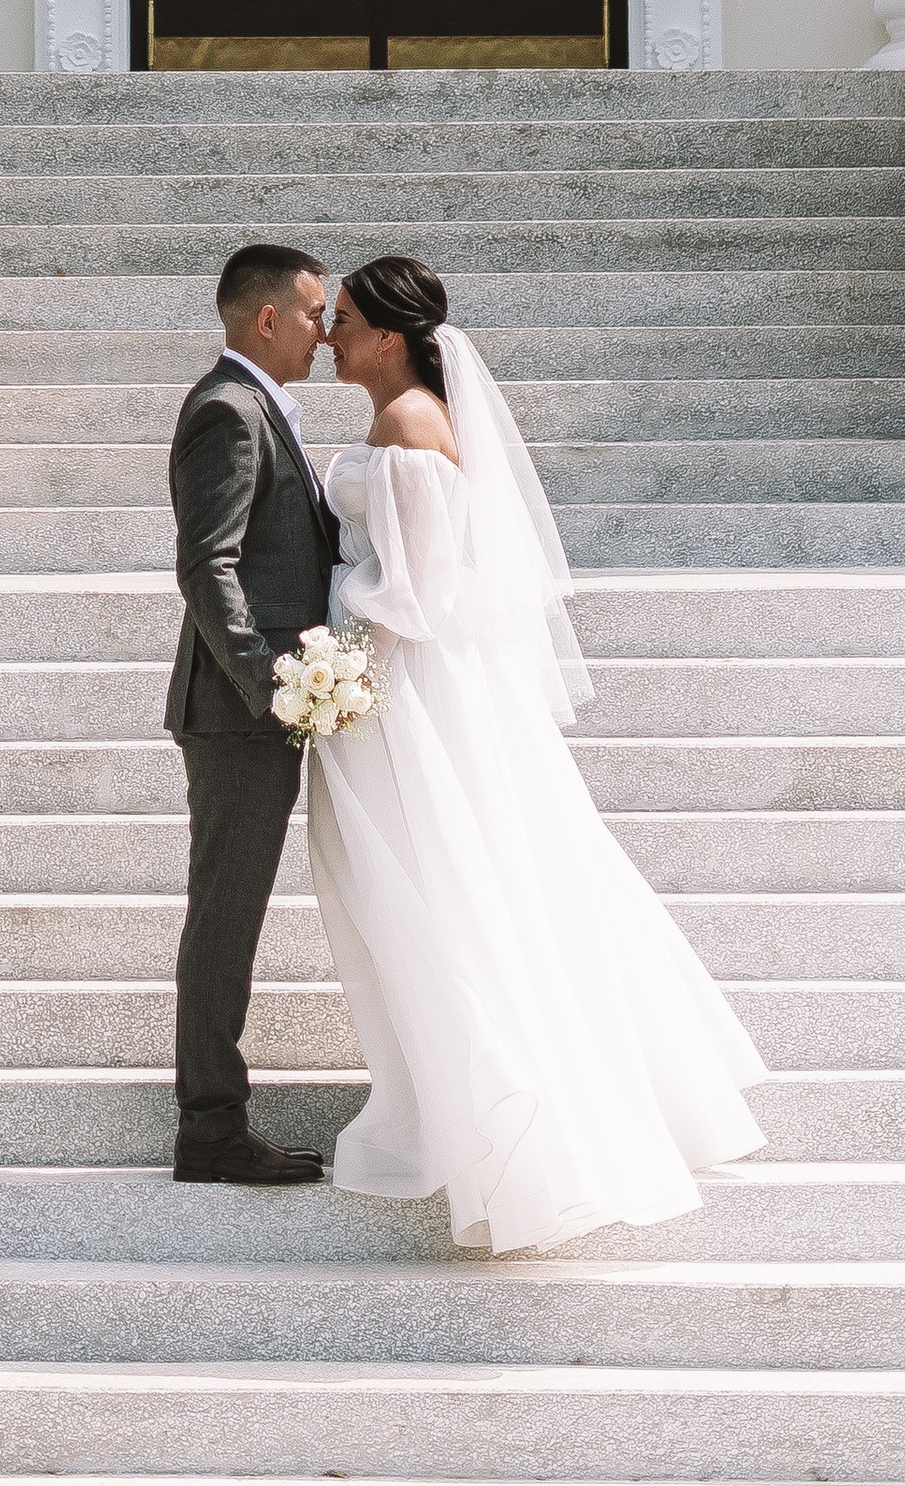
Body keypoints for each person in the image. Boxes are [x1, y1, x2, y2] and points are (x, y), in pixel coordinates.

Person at [305, 252, 770, 1253]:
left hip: (409, 691)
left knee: (448, 880)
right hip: (416, 684)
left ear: (387, 335)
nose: (326, 335)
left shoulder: (407, 425)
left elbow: (414, 595)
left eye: (341, 318)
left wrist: (324, 645)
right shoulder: (413, 421)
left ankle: (508, 1101)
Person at [162, 241, 340, 1185]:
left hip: (260, 703)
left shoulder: (265, 405)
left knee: (231, 909)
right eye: (315, 312)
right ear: (266, 318)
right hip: (238, 713)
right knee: (226, 915)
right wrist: (269, 684)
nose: (327, 328)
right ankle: (212, 1126)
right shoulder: (229, 411)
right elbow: (209, 565)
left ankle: (214, 1116)